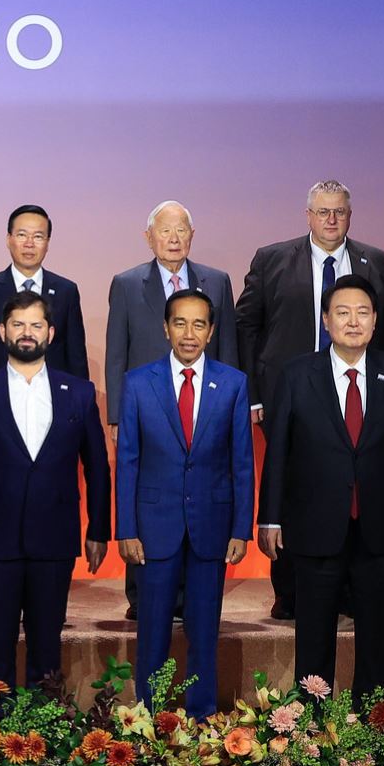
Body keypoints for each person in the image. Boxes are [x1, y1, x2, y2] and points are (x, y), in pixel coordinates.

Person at [236, 180, 384, 620]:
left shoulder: (382, 263)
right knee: (297, 487)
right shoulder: (272, 259)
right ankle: (292, 592)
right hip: (290, 398)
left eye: (339, 211)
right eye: (322, 212)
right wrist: (254, 394)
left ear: (349, 216)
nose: (331, 219)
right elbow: (246, 327)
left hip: (362, 401)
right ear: (308, 216)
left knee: (356, 486)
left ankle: (353, 591)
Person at [257, 276, 384, 699]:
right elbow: (279, 452)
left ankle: (375, 725)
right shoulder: (297, 374)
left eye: (363, 312)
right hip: (315, 526)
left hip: (378, 524)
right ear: (326, 321)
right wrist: (270, 517)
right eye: (343, 312)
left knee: (377, 637)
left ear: (375, 321)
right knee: (314, 636)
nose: (354, 321)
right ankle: (312, 732)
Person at [0, 291, 110, 689]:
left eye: (36, 325)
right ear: (2, 331)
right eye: (18, 324)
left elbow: (97, 467)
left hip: (55, 540)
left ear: (50, 332)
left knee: (46, 651)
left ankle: (42, 736)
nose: (27, 333)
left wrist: (98, 529)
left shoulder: (80, 393)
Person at [114, 290, 253, 716]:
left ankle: (201, 716)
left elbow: (241, 462)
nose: (189, 334)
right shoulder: (138, 383)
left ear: (211, 332)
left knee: (204, 631)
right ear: (165, 328)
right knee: (152, 632)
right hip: (154, 527)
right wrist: (126, 528)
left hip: (211, 526)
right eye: (180, 323)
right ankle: (149, 719)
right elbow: (128, 461)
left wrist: (240, 528)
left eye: (198, 324)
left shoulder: (232, 383)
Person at [103, 200, 238, 620]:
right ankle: (142, 595)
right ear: (149, 237)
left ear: (192, 236)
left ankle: (190, 595)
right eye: (165, 230)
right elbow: (116, 353)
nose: (174, 237)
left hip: (204, 407)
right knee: (145, 491)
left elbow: (229, 348)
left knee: (197, 491)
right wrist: (116, 415)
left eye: (182, 230)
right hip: (146, 409)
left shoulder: (217, 281)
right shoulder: (126, 284)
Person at [0, 203, 89, 382]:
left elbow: (77, 358)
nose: (29, 244)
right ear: (8, 239)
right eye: (22, 235)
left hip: (52, 399)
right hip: (0, 397)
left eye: (38, 236)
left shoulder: (66, 291)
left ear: (47, 243)